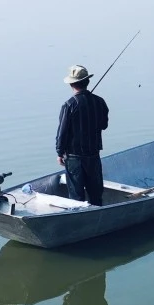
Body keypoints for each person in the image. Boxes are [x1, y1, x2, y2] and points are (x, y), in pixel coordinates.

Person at [56, 65, 110, 206]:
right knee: (96, 194)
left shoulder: (68, 105)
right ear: (87, 82)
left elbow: (62, 133)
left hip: (74, 158)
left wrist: (59, 153)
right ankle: (98, 215)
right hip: (93, 156)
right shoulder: (100, 102)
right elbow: (104, 125)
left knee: (76, 197)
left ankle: (79, 220)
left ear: (71, 84)